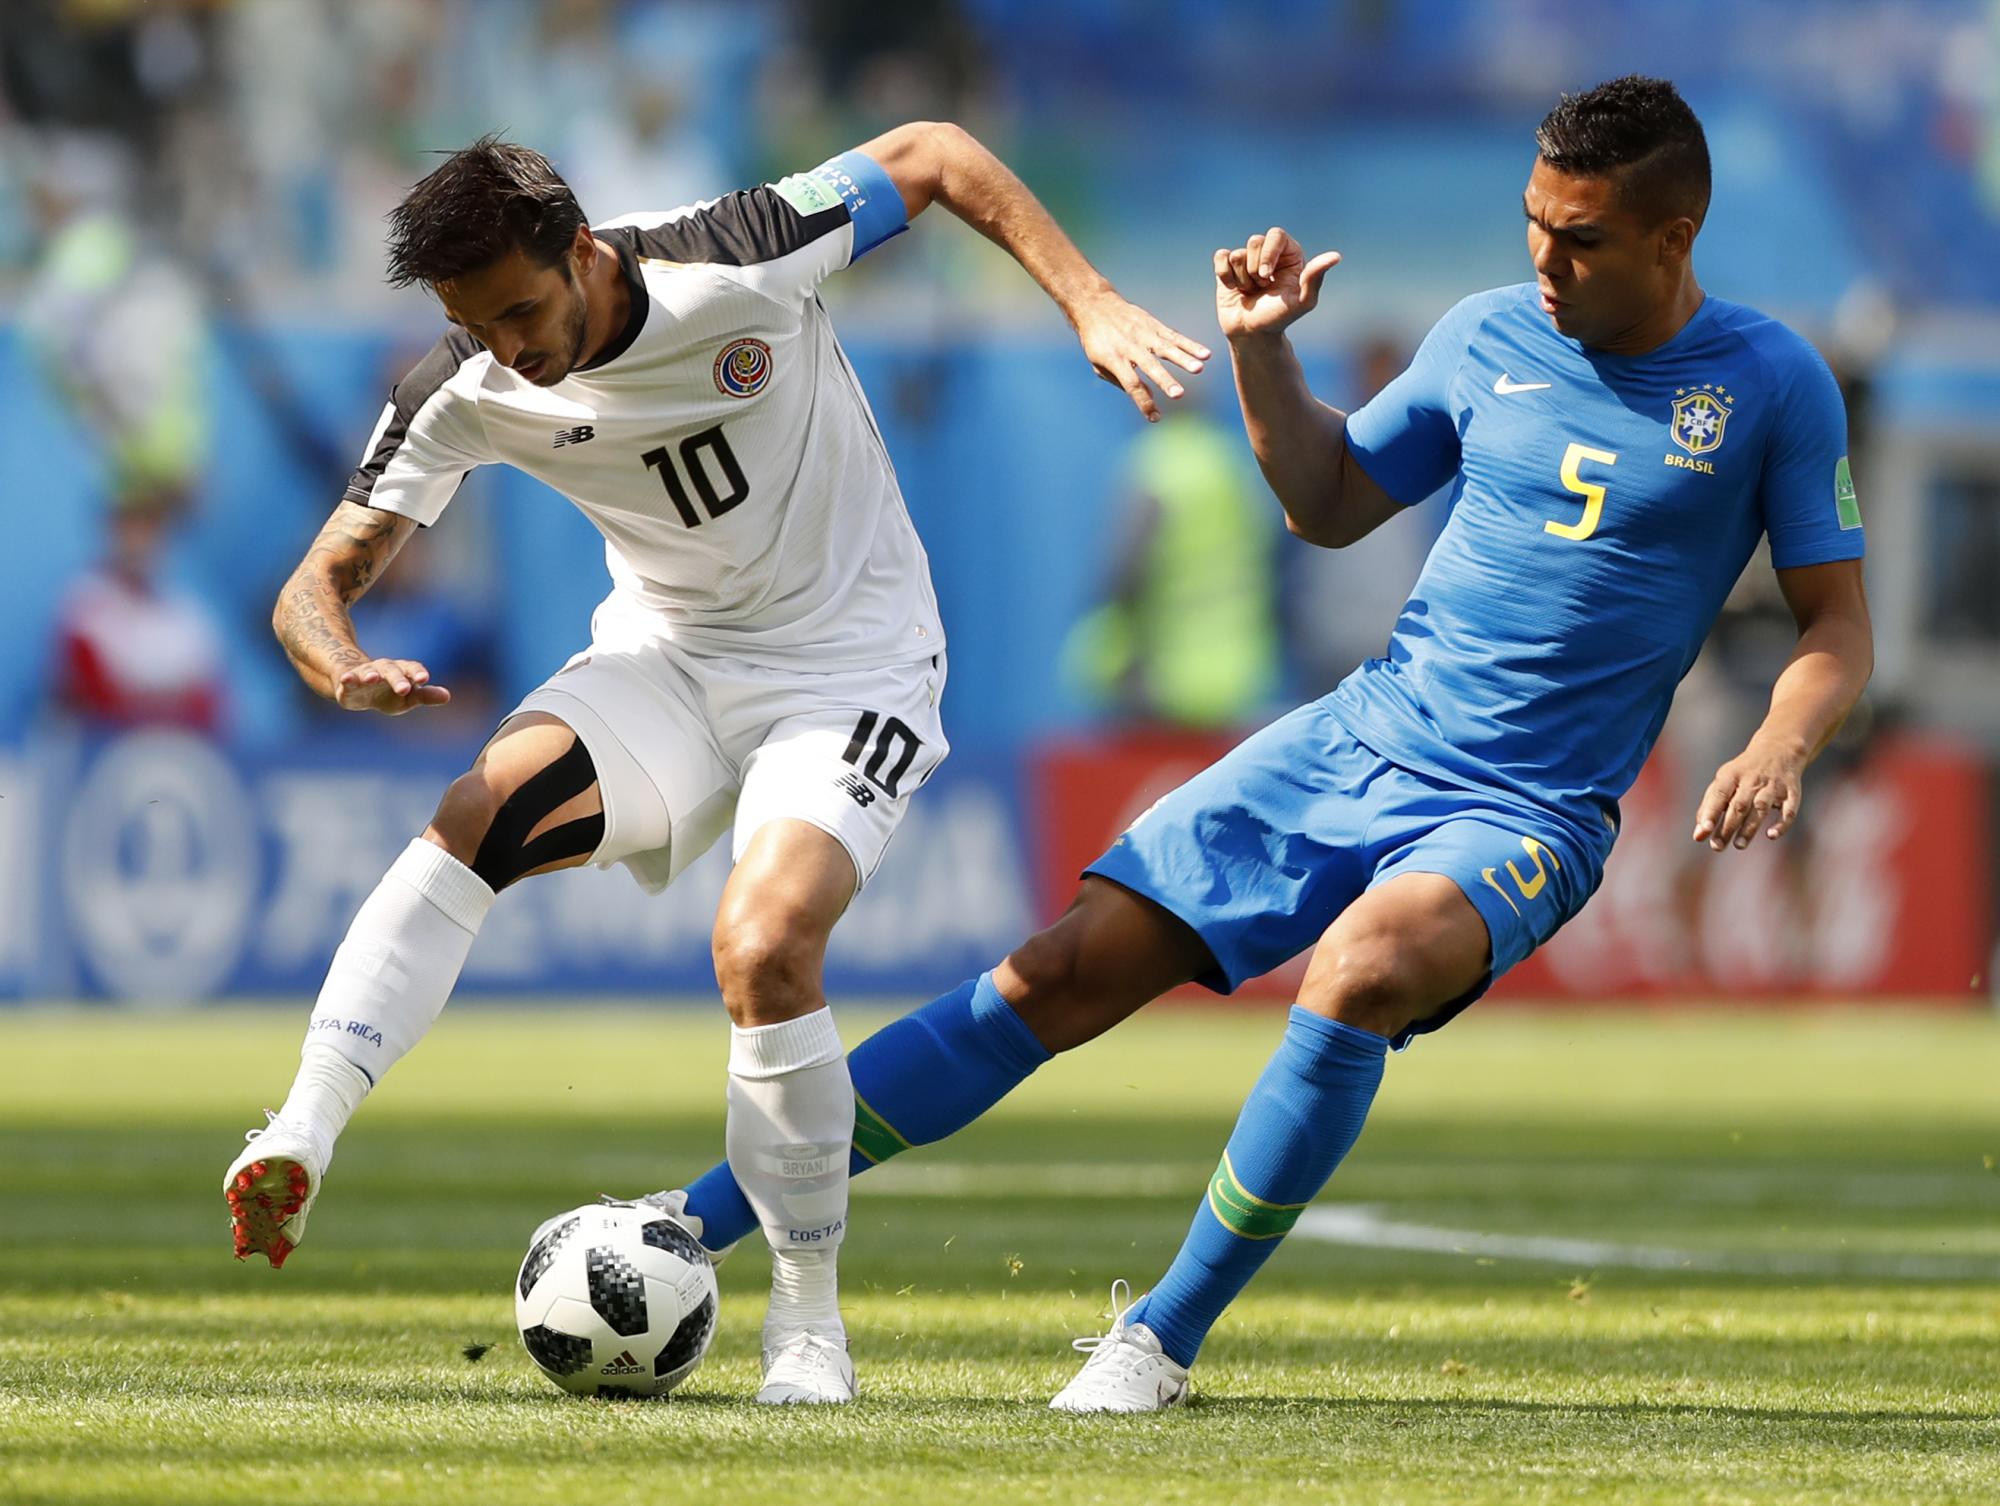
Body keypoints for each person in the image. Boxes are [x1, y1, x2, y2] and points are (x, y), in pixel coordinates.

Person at [662, 75, 1875, 1411]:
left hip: (1527, 805)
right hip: (1360, 732)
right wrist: (1259, 351)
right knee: (1058, 974)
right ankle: (684, 1224)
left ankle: (1160, 1336)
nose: (1546, 257)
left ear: (1675, 233)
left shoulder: (1770, 384)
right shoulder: (1484, 337)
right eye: (1535, 222)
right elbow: (1331, 500)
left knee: (1364, 965)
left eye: (1581, 237)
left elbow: (1836, 625)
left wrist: (1778, 741)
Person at [220, 127, 1208, 1408]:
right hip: (668, 668)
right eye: (478, 324)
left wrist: (1091, 300)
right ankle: (299, 1125)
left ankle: (805, 1329)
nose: (509, 349)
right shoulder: (462, 381)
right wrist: (339, 658)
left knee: (761, 948)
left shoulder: (735, 253)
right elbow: (314, 585)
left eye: (521, 309)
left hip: (848, 667)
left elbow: (934, 155)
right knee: (475, 813)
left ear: (579, 251)